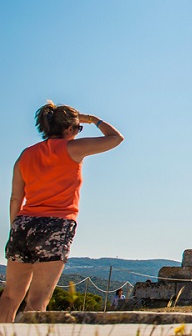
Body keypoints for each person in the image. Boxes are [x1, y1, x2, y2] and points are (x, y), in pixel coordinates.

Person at [0, 102, 123, 322]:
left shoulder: (25, 155)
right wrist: (92, 119)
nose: (78, 132)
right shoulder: (73, 149)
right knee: (37, 302)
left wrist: (15, 229)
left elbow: (15, 198)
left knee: (9, 296)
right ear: (68, 129)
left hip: (22, 224)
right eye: (77, 128)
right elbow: (116, 138)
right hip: (55, 225)